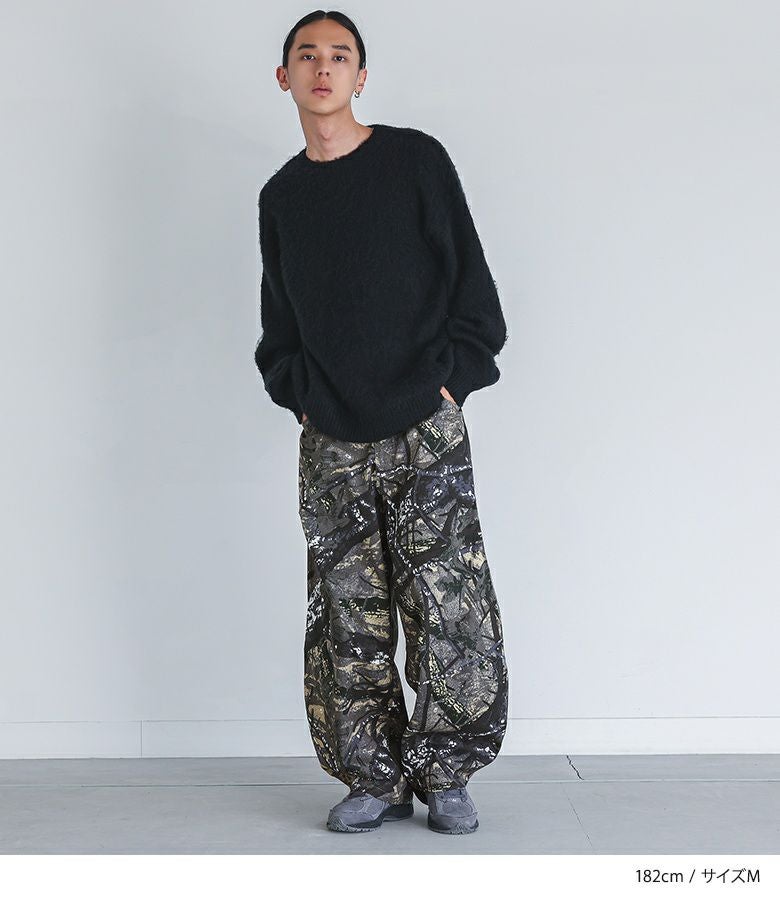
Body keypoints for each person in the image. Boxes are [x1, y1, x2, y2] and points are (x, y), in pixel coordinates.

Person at [254, 10, 509, 835]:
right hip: (332, 439)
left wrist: (452, 384)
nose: (323, 68)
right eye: (307, 55)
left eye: (340, 56)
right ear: (285, 77)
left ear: (361, 77)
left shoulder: (414, 161)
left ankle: (447, 775)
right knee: (346, 616)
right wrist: (300, 395)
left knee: (449, 605)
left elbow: (473, 289)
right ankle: (374, 777)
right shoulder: (283, 196)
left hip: (424, 426)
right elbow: (279, 325)